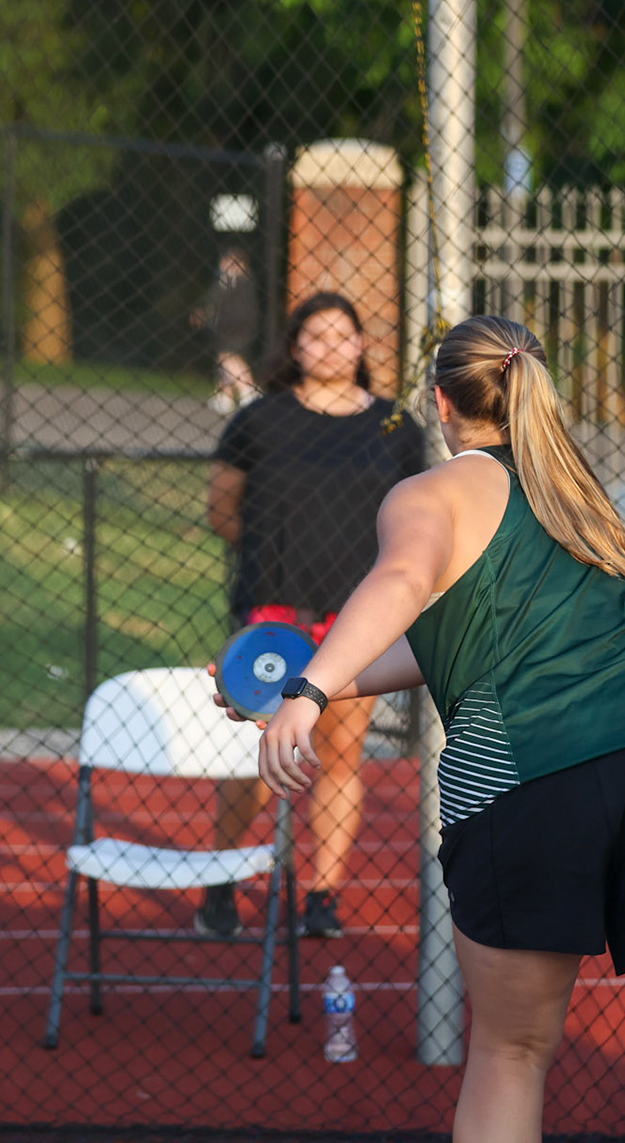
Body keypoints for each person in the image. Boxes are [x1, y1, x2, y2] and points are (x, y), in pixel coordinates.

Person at [233, 316, 625, 1142]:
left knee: (512, 1052)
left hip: (524, 777)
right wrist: (303, 683)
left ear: (441, 401)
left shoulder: (430, 493)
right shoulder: (571, 486)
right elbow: (448, 642)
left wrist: (307, 693)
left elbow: (404, 579)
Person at [202, 292, 426, 939]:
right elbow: (222, 510)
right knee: (261, 752)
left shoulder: (395, 426)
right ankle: (221, 880)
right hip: (274, 613)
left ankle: (321, 896)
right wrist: (276, 558)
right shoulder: (259, 420)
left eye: (342, 335)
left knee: (340, 754)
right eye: (316, 335)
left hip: (357, 618)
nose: (330, 346)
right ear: (294, 347)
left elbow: (412, 523)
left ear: (361, 345)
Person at [191, 247, 260, 414]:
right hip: (224, 329)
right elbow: (214, 303)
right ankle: (225, 396)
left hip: (236, 328)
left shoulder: (239, 281)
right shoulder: (226, 280)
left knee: (228, 358)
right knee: (223, 360)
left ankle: (249, 391)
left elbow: (232, 308)